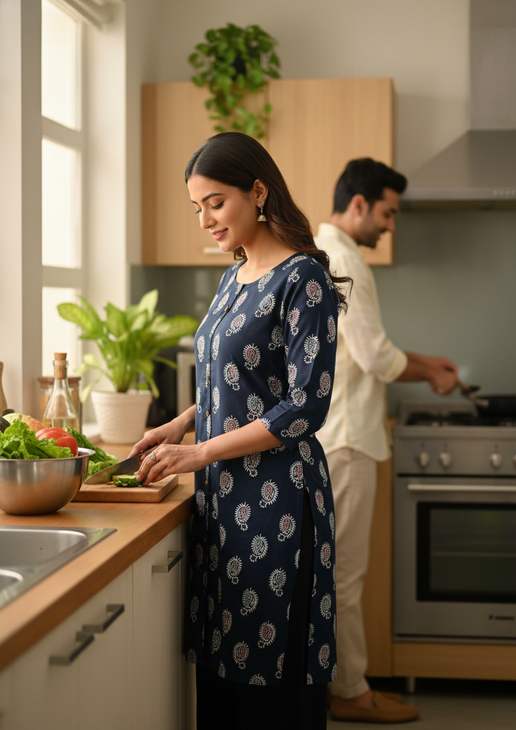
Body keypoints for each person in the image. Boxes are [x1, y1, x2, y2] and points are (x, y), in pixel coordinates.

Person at [130, 132, 351, 730]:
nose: (204, 219)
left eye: (216, 203)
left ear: (258, 192)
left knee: (272, 676)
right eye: (197, 207)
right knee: (225, 672)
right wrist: (172, 427)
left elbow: (305, 407)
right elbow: (229, 387)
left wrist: (198, 451)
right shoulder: (234, 277)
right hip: (222, 499)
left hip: (279, 498)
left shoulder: (301, 279)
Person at [315, 158, 459, 724]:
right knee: (344, 576)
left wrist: (429, 362)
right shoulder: (343, 258)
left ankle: (347, 684)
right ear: (358, 205)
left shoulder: (332, 254)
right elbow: (375, 356)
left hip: (347, 435)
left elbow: (366, 345)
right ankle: (350, 693)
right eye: (387, 212)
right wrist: (430, 375)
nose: (390, 225)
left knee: (340, 574)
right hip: (346, 440)